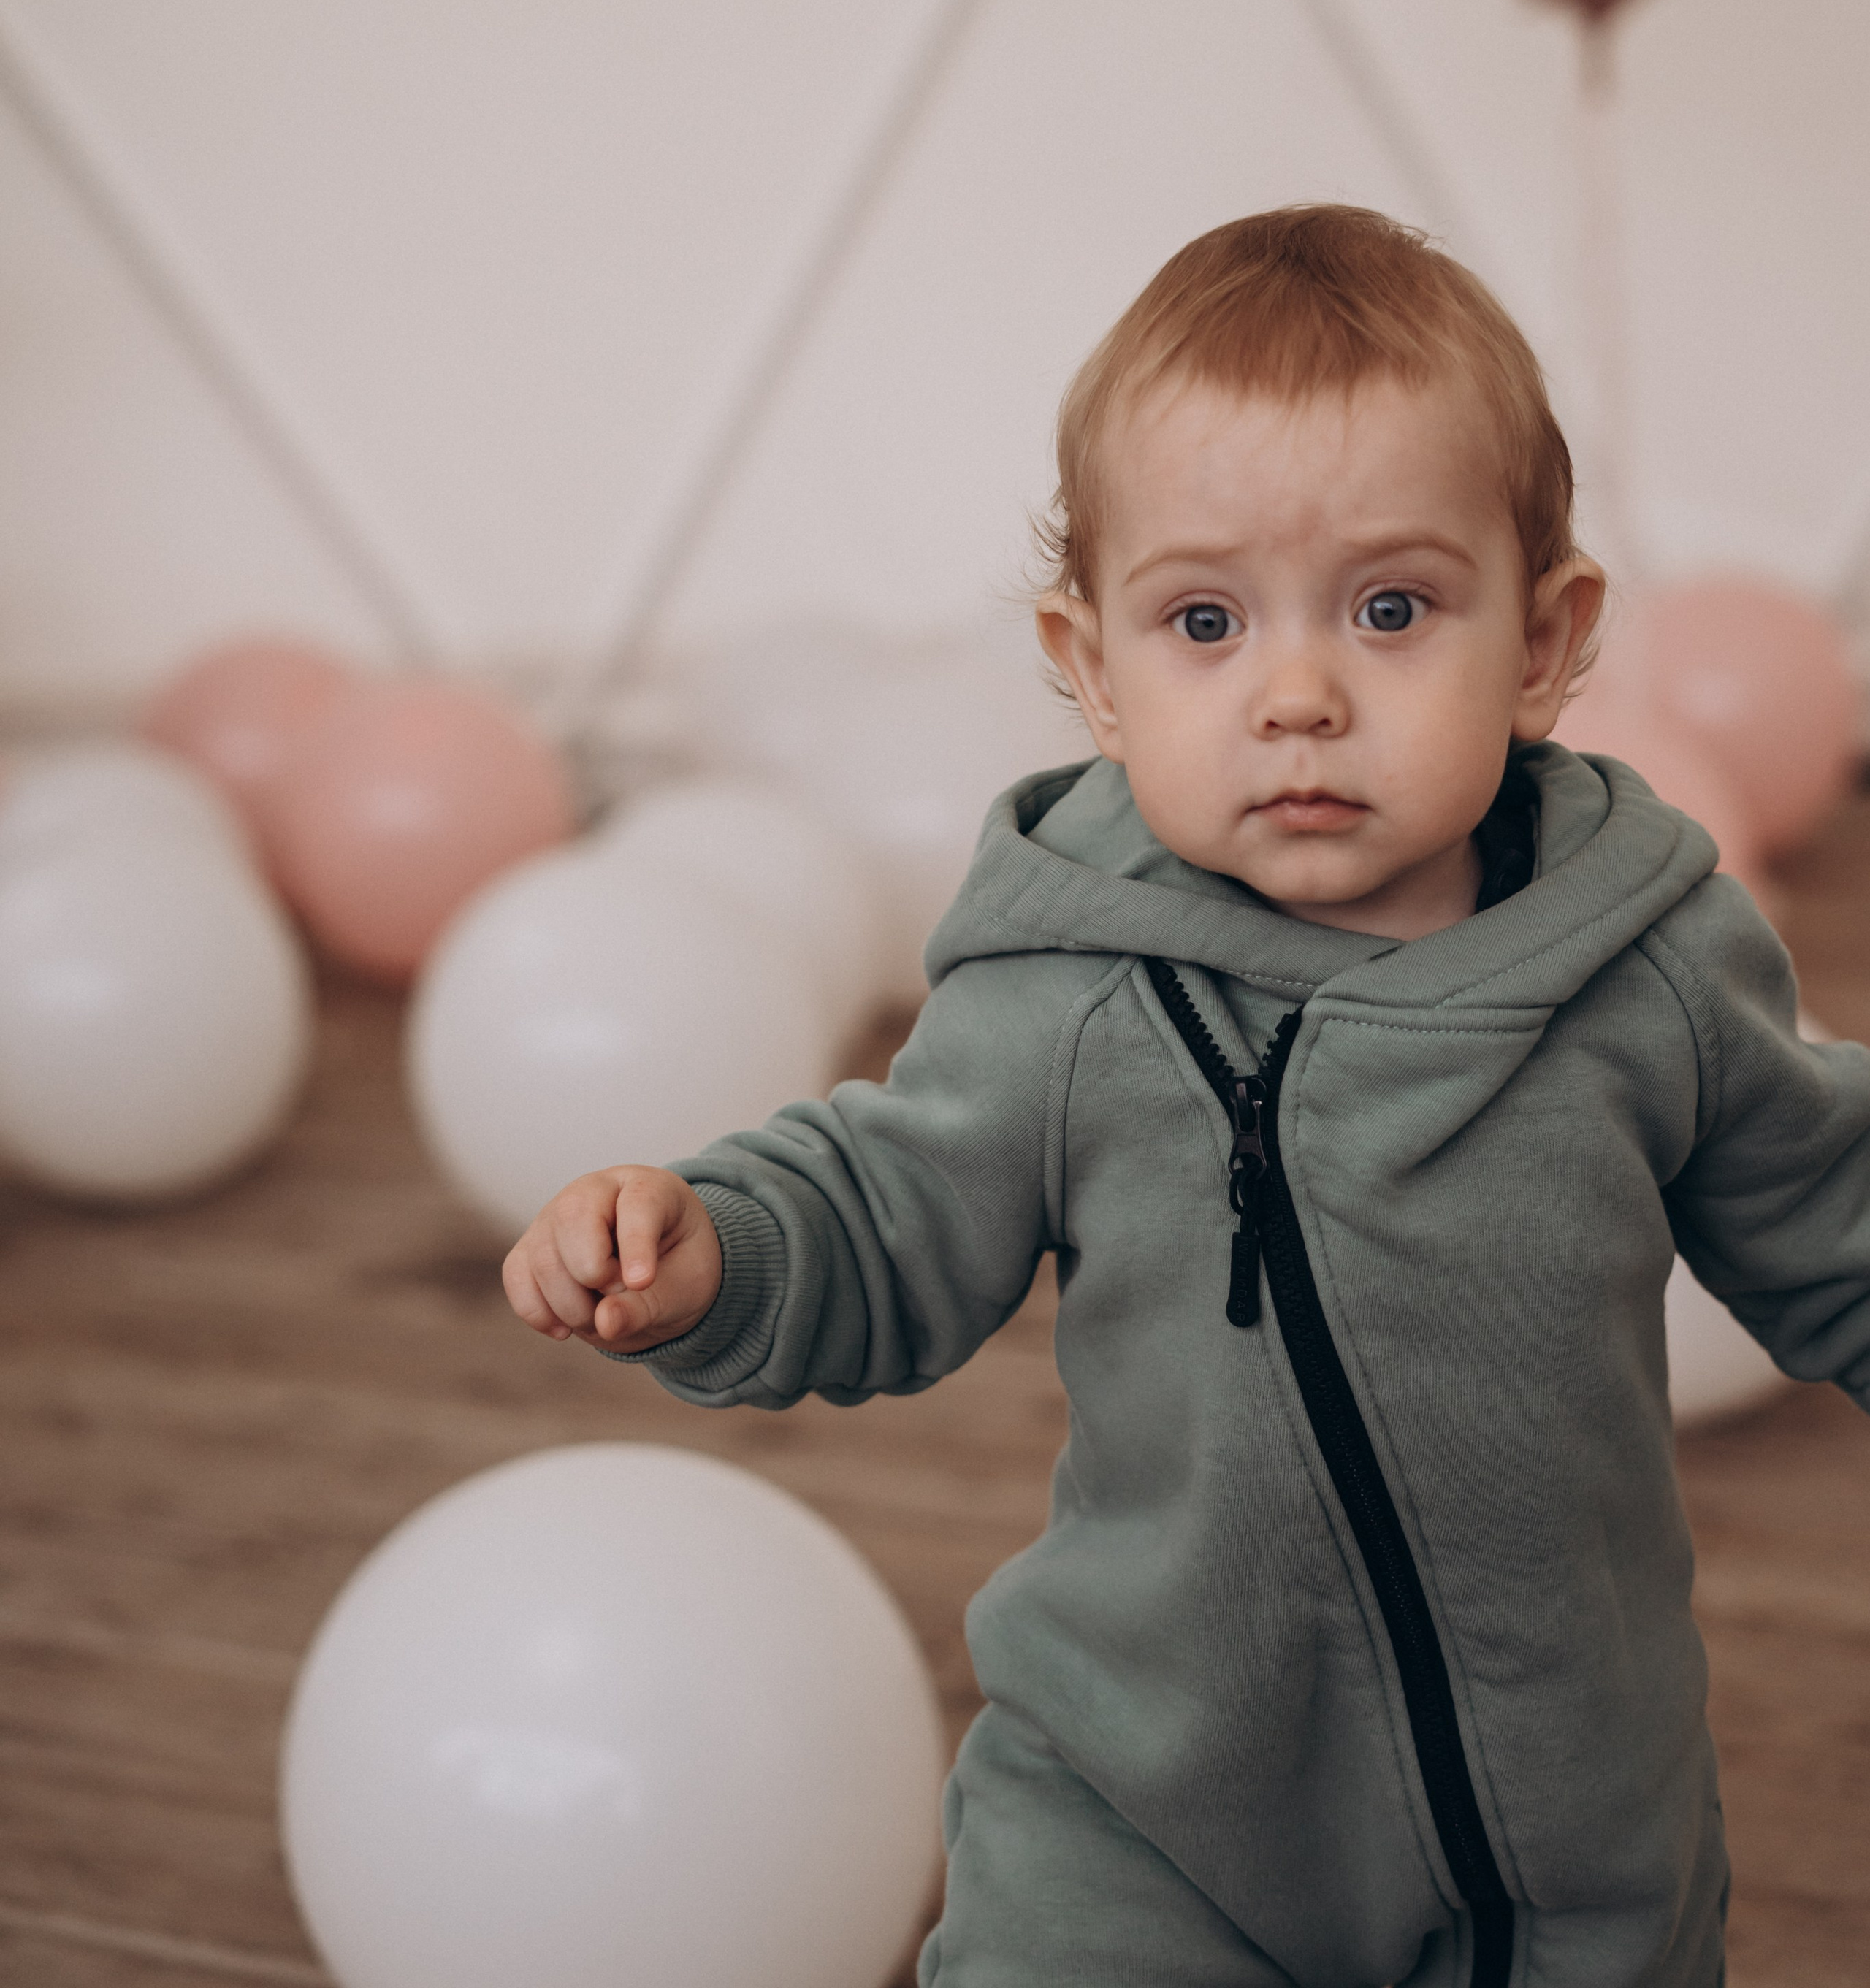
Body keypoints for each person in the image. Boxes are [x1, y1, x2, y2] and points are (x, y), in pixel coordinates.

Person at [504, 206, 1870, 1988]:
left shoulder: (1650, 966)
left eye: (1391, 608)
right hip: (1143, 1808)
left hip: (1561, 1843)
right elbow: (894, 1206)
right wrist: (730, 1245)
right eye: (1204, 622)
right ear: (1091, 671)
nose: (1295, 695)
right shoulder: (1066, 988)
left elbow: (1830, 1212)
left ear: (1542, 640)